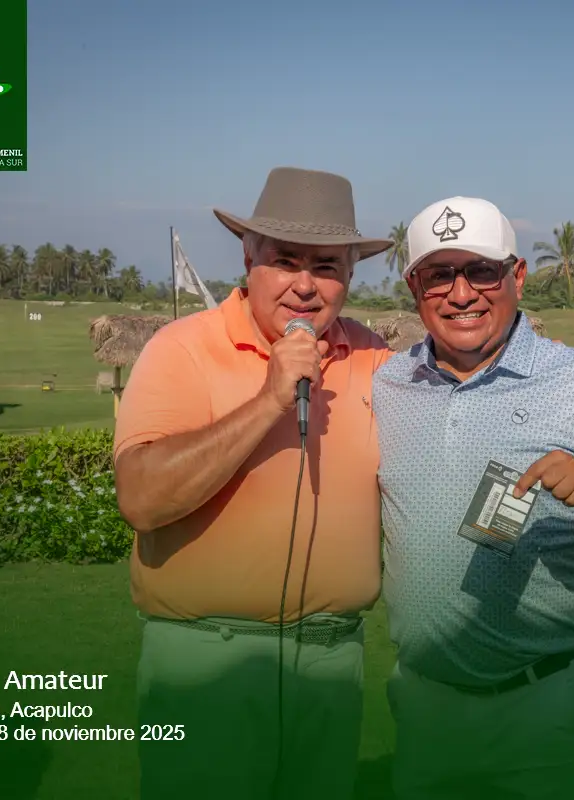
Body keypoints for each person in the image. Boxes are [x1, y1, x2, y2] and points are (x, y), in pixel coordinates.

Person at [372, 197, 574, 799]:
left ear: (518, 275)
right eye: (439, 275)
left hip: (541, 709)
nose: (461, 294)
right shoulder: (389, 382)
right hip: (425, 706)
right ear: (414, 287)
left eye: (482, 271)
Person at [112, 167, 393, 800]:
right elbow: (142, 499)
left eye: (326, 265)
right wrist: (268, 401)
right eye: (285, 260)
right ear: (248, 257)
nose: (304, 285)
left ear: (350, 273)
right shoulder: (182, 348)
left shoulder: (376, 357)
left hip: (332, 662)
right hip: (207, 659)